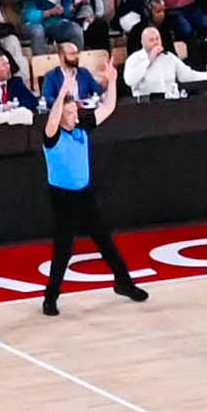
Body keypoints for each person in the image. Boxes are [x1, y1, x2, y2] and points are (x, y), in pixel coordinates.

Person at [32, 52, 141, 311]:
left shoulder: (82, 125)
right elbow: (52, 117)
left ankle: (123, 282)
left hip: (85, 195)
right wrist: (62, 95)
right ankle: (51, 298)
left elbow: (108, 108)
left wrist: (112, 81)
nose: (74, 116)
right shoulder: (52, 135)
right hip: (63, 199)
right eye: (69, 113)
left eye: (74, 112)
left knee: (105, 241)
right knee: (63, 250)